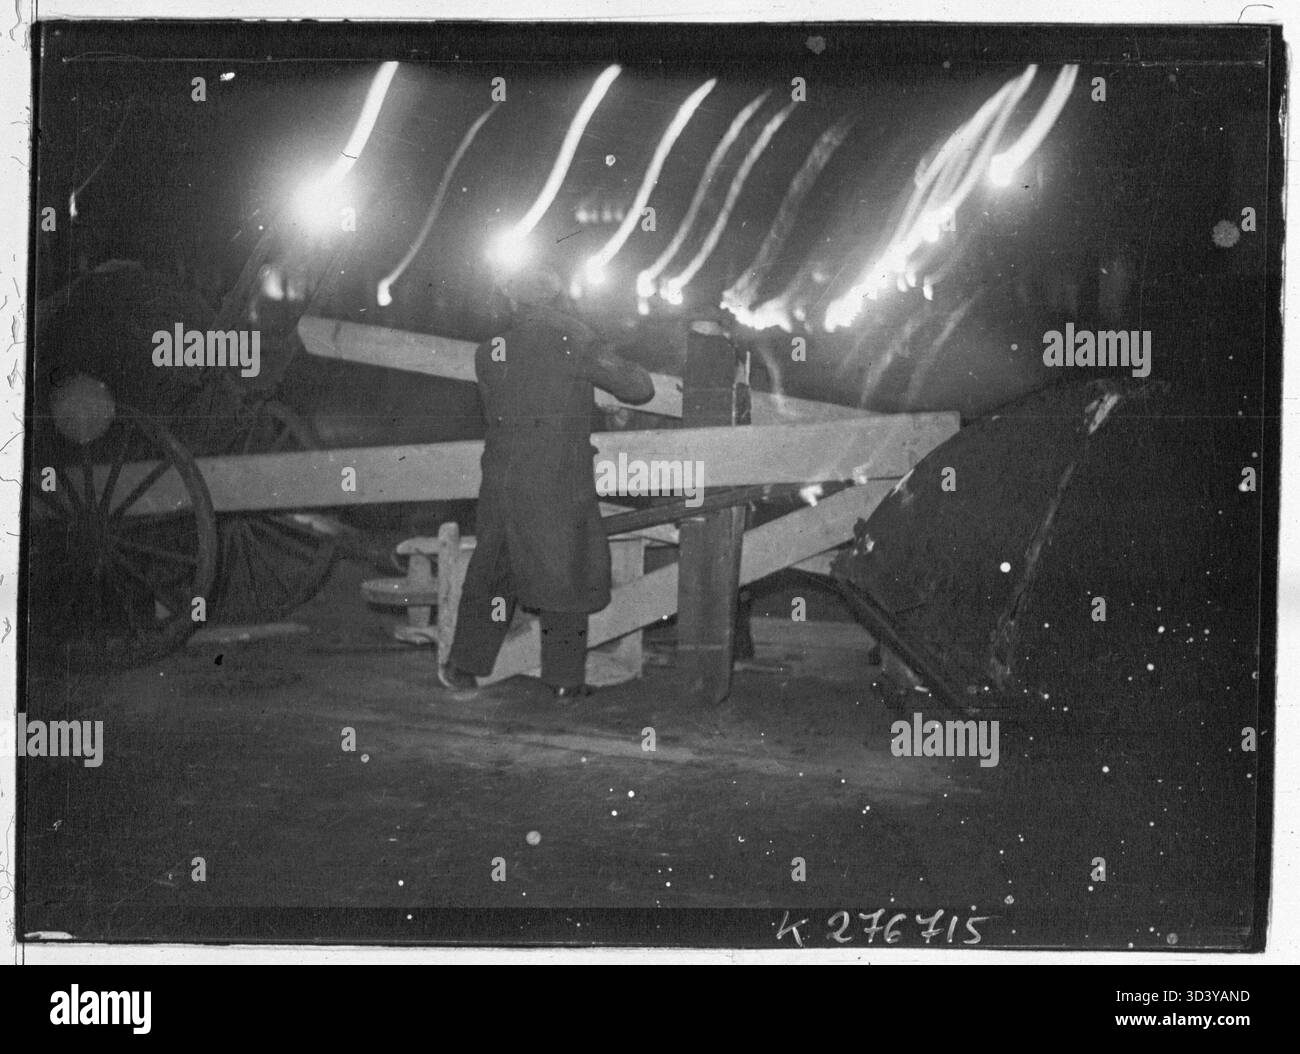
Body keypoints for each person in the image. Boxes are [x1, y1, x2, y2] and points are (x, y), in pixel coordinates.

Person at [438, 264, 656, 698]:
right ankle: (563, 681)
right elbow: (639, 388)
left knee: (495, 572)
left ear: (511, 298)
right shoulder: (573, 337)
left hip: (501, 480)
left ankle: (463, 667)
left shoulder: (491, 350)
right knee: (564, 577)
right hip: (557, 481)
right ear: (555, 297)